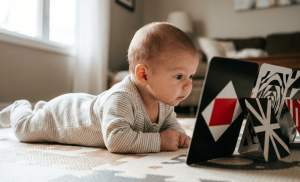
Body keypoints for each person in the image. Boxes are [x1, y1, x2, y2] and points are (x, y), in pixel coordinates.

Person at [0, 22, 199, 153]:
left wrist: (181, 139)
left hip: (85, 104)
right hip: (63, 117)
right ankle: (19, 108)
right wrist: (160, 142)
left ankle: (38, 108)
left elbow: (170, 127)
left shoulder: (164, 102)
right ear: (144, 75)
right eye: (179, 76)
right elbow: (117, 140)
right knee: (23, 130)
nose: (188, 84)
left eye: (191, 76)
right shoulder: (122, 99)